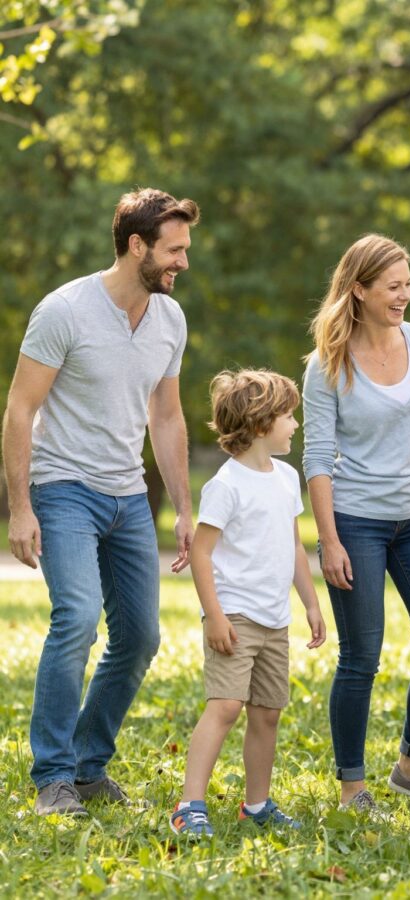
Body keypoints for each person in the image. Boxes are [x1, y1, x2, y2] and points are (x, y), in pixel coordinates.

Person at [2, 188, 199, 816]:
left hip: (127, 497)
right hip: (63, 489)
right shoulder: (64, 311)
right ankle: (53, 776)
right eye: (174, 251)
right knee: (78, 620)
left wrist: (185, 509)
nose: (183, 264)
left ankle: (89, 767)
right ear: (136, 245)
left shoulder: (169, 318)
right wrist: (21, 507)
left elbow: (166, 416)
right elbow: (19, 408)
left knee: (141, 638)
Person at [302, 234, 410, 812]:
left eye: (408, 285)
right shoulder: (328, 364)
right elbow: (316, 459)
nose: (405, 296)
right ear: (359, 290)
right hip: (355, 521)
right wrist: (330, 541)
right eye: (393, 287)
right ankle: (352, 788)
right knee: (361, 655)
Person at [170, 370, 326, 837]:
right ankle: (189, 805)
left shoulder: (285, 476)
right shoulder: (227, 484)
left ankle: (257, 804)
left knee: (268, 712)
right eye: (288, 416)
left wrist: (311, 604)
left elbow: (294, 545)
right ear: (261, 424)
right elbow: (201, 551)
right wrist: (214, 615)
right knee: (225, 706)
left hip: (275, 618)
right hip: (235, 615)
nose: (295, 425)